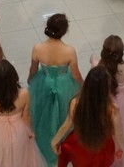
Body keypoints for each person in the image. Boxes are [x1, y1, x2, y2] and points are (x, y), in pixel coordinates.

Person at [28, 13, 82, 165]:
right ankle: (62, 137)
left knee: (42, 112)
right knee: (66, 112)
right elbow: (76, 74)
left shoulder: (37, 48)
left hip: (44, 82)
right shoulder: (69, 51)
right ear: (64, 31)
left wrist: (31, 80)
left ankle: (44, 139)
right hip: (65, 85)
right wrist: (83, 85)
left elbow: (33, 69)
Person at [51, 66, 122, 167]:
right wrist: (121, 148)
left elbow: (67, 124)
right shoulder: (112, 109)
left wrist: (54, 141)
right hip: (102, 147)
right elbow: (118, 133)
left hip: (80, 143)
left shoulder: (75, 103)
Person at [90, 36, 124, 167]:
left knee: (105, 131)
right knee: (122, 129)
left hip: (104, 102)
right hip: (121, 103)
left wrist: (93, 61)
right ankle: (120, 154)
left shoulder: (98, 67)